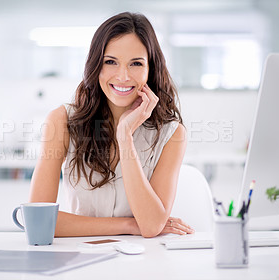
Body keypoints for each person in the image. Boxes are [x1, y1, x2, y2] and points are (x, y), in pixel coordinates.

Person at [29, 12, 193, 238]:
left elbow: (150, 226)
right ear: (96, 65)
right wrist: (128, 225)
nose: (123, 76)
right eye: (110, 62)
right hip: (82, 260)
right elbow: (38, 221)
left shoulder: (171, 134)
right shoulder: (62, 121)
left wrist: (125, 136)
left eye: (136, 63)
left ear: (150, 69)